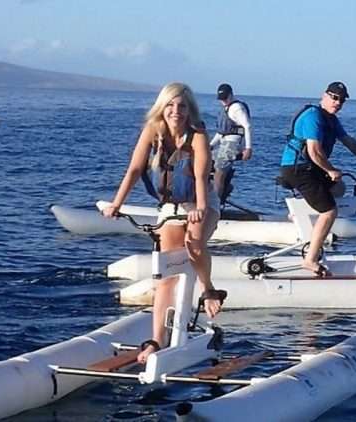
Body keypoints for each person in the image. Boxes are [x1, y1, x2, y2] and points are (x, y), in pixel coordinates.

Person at [101, 82, 222, 364]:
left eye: (181, 106)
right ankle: (157, 340)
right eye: (170, 105)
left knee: (193, 243)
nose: (175, 111)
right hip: (170, 206)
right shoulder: (152, 132)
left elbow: (202, 178)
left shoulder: (198, 137)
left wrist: (201, 210)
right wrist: (116, 203)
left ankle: (208, 289)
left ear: (189, 110)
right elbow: (134, 169)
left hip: (201, 203)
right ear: (162, 107)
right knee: (166, 270)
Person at [279, 81, 356, 276]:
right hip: (298, 169)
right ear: (324, 95)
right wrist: (330, 170)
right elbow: (314, 151)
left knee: (340, 188)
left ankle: (304, 217)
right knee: (330, 211)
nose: (338, 102)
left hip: (310, 169)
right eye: (334, 98)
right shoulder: (313, 116)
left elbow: (350, 143)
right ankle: (310, 259)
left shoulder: (331, 119)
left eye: (341, 100)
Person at [209, 83, 252, 201]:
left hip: (232, 144)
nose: (223, 101)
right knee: (206, 160)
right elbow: (222, 132)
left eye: (225, 98)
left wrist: (248, 148)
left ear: (231, 95)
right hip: (224, 142)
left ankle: (216, 202)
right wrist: (211, 145)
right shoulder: (226, 109)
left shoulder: (237, 108)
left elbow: (247, 126)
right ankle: (219, 191)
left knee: (219, 171)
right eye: (221, 99)